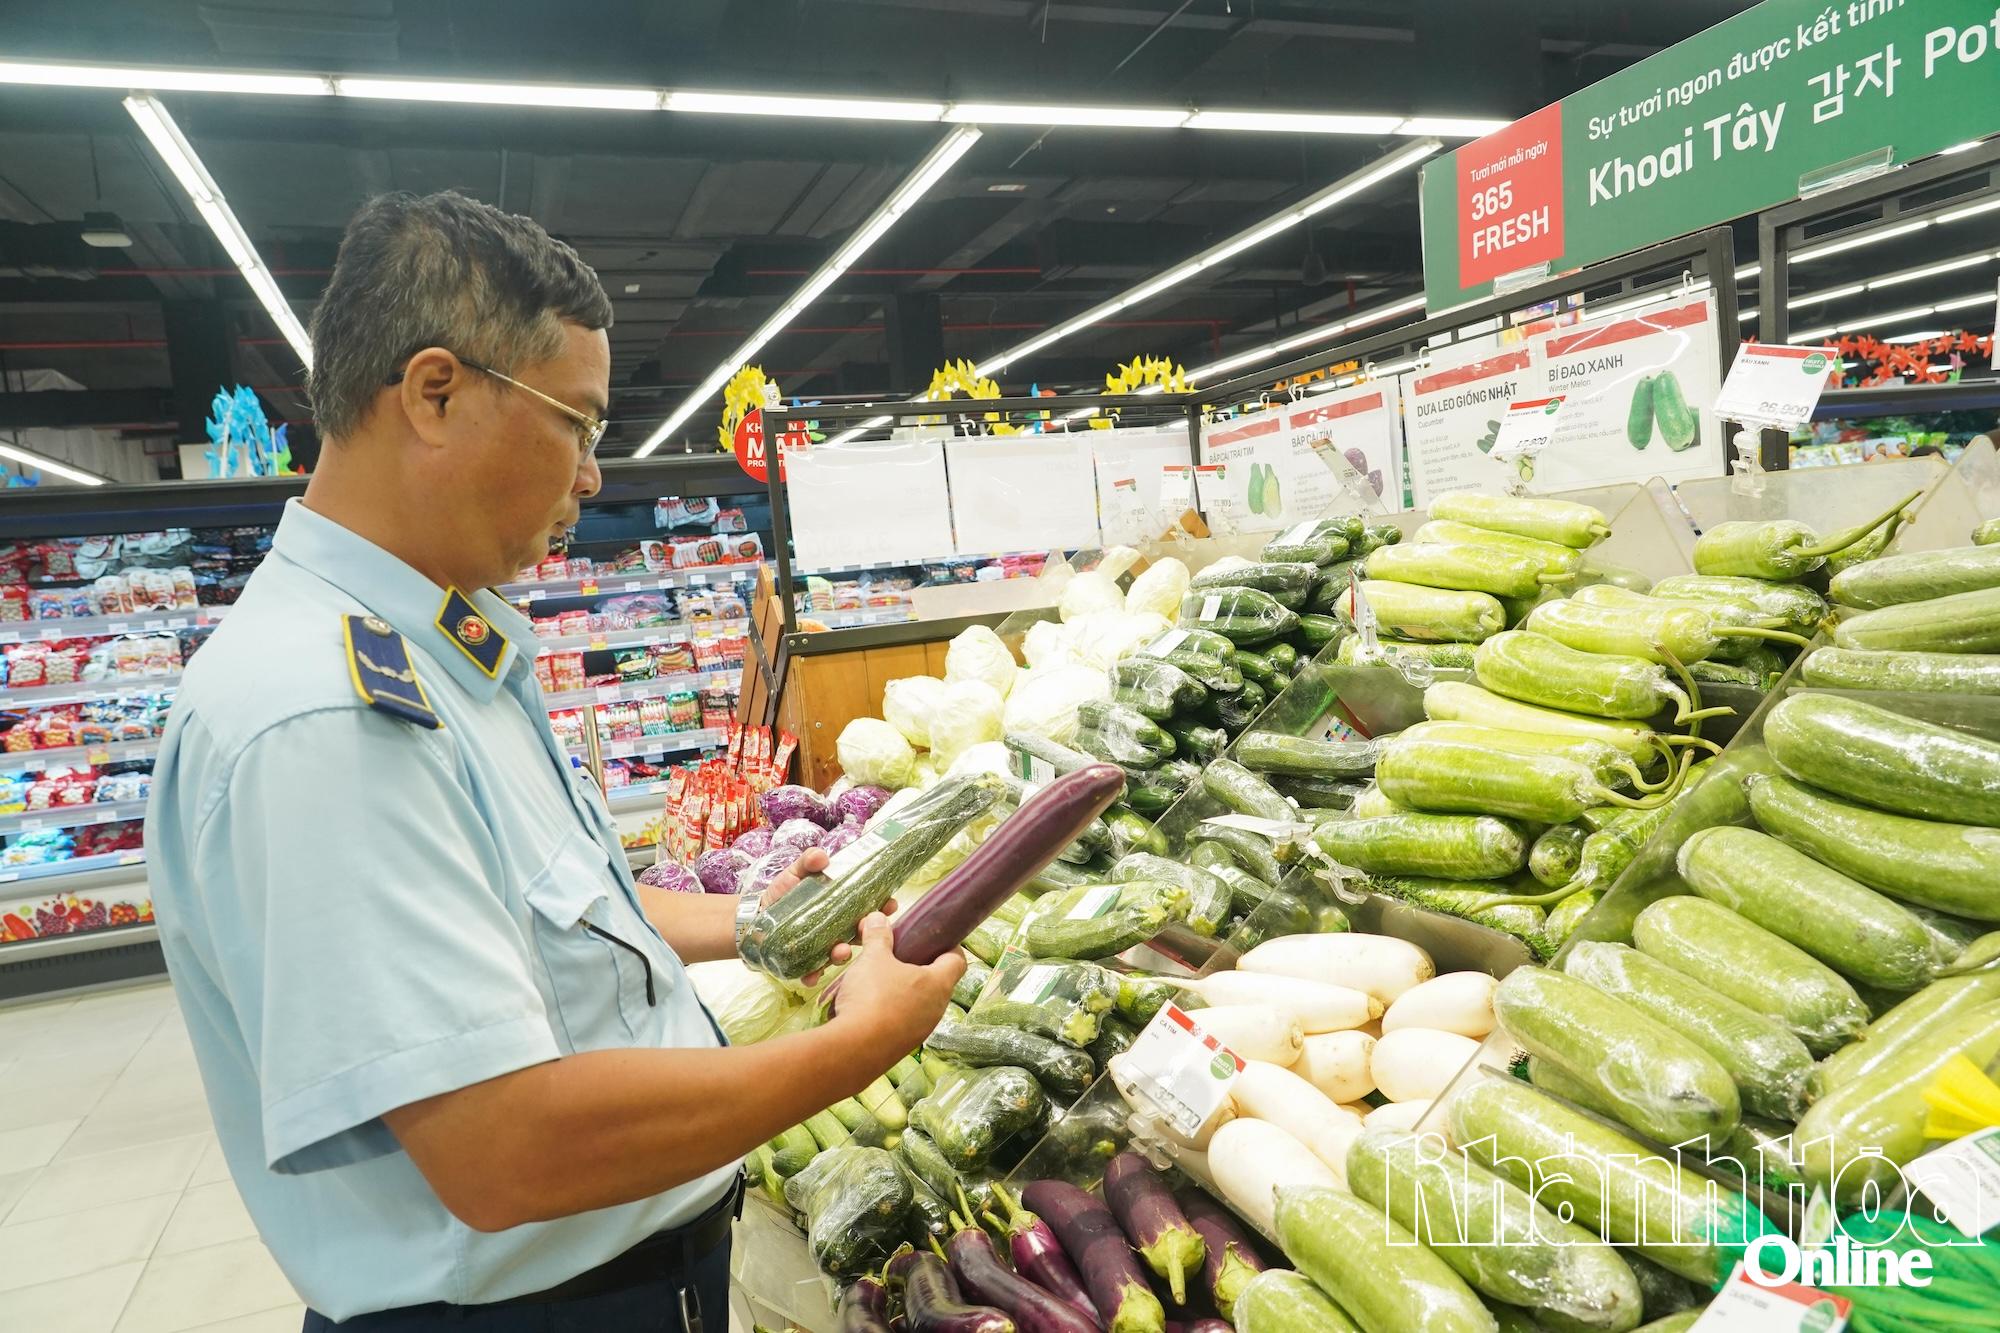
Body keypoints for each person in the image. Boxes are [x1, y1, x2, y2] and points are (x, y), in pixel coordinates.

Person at [143, 191, 964, 1330]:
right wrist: (859, 1042)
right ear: (434, 393)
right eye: (577, 423)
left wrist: (756, 919)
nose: (590, 476)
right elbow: (504, 1148)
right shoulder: (326, 715)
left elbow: (558, 908)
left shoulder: (439, 645)